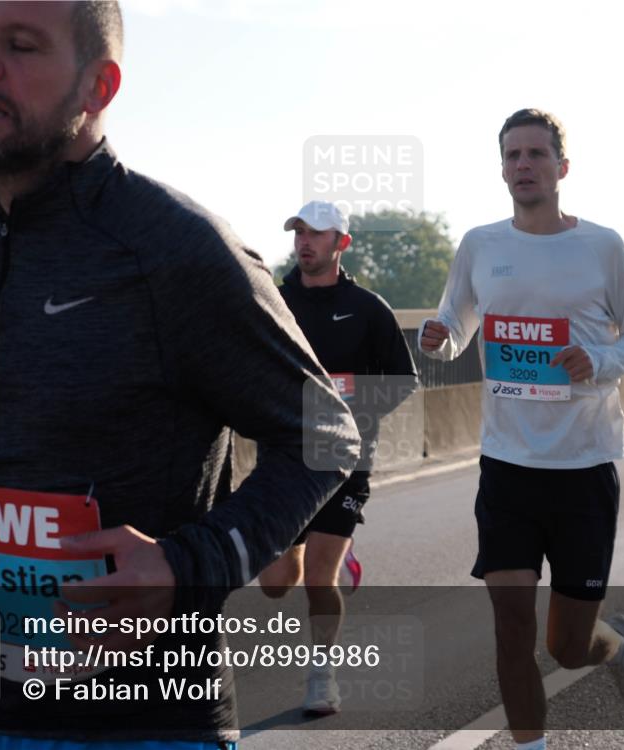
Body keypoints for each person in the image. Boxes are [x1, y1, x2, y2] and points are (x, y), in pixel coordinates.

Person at [0, 2, 360, 749]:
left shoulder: (178, 249)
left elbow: (325, 434)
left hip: (151, 727)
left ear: (98, 86)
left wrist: (184, 566)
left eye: (20, 45)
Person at [419, 109, 624, 749]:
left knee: (568, 646)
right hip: (507, 464)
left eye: (535, 154)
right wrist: (437, 340)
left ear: (562, 167)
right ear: (501, 168)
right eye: (512, 155)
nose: (523, 165)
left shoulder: (602, 246)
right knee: (510, 626)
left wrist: (599, 362)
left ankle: (613, 646)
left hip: (583, 466)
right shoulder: (480, 244)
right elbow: (454, 330)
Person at [257, 200, 418, 715]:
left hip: (345, 460)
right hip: (283, 459)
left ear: (341, 243)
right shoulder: (272, 302)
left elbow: (404, 379)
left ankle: (321, 679)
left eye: (317, 234)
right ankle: (318, 549)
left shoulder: (369, 308)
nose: (305, 241)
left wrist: (351, 402)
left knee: (319, 579)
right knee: (278, 585)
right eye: (299, 231)